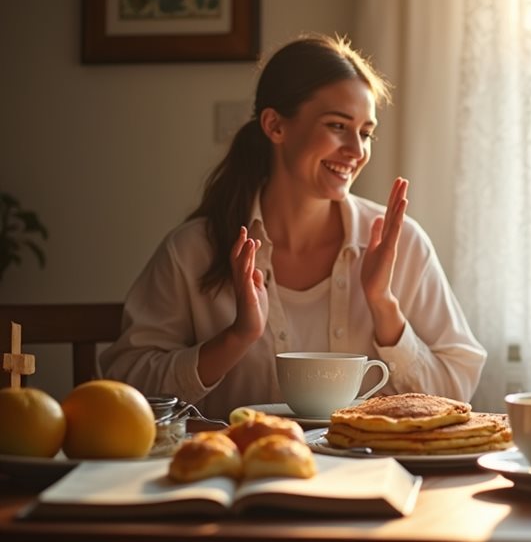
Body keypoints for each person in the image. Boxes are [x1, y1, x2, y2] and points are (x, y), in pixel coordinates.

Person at [101, 34, 486, 421]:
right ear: (275, 126)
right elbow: (126, 386)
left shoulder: (400, 244)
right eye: (338, 125)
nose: (357, 150)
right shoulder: (191, 251)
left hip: (366, 473)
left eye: (366, 132)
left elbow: (456, 390)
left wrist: (385, 308)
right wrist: (236, 338)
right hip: (236, 473)